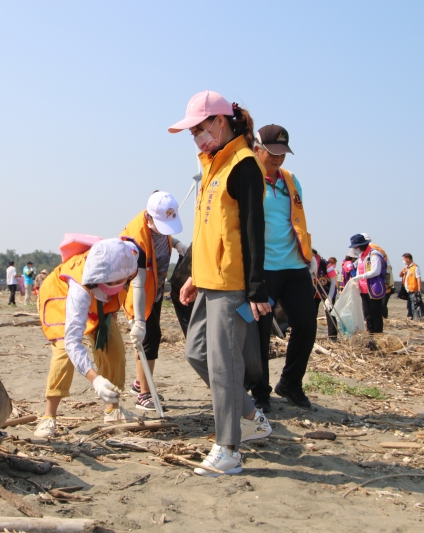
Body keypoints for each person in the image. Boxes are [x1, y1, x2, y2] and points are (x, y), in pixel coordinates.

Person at [170, 91, 272, 476]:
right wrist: (195, 275)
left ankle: (228, 449)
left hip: (232, 284)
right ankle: (251, 416)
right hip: (209, 280)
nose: (197, 138)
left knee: (225, 366)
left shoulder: (243, 164)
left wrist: (256, 287)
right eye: (192, 133)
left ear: (220, 122)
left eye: (200, 129)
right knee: (197, 353)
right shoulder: (214, 165)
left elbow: (252, 231)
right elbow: (209, 229)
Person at [34, 239, 139, 438]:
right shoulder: (79, 290)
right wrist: (95, 379)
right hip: (61, 295)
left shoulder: (127, 257)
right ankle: (49, 416)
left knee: (114, 348)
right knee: (63, 352)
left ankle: (112, 409)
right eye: (112, 282)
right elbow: (72, 342)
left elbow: (138, 284)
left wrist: (137, 321)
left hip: (100, 304)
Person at [247, 124, 317, 412]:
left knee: (307, 324)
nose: (278, 158)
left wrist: (310, 258)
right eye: (272, 152)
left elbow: (296, 220)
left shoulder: (291, 180)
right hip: (263, 269)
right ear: (257, 149)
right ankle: (260, 391)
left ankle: (290, 382)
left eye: (282, 153)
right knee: (259, 332)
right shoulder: (249, 179)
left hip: (294, 265)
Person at [120, 191, 187, 410]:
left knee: (147, 339)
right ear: (149, 218)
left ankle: (140, 383)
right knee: (149, 338)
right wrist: (139, 321)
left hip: (154, 289)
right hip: (138, 293)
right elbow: (138, 284)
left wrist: (177, 244)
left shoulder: (157, 224)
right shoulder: (136, 241)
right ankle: (144, 395)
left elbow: (164, 235)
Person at [347, 233, 387, 333]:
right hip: (363, 289)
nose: (355, 249)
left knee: (375, 313)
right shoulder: (361, 256)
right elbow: (359, 270)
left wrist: (361, 277)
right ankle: (370, 333)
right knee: (367, 313)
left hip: (373, 288)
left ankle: (377, 334)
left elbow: (376, 271)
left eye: (356, 247)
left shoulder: (374, 254)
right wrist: (357, 279)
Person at [361, 234, 393, 318]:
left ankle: (381, 318)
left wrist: (361, 276)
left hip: (375, 280)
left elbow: (375, 270)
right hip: (384, 276)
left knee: (375, 306)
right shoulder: (378, 248)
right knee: (380, 303)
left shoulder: (372, 250)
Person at [311, 251, 339, 341]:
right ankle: (311, 336)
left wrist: (329, 297)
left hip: (327, 290)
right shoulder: (307, 263)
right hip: (314, 292)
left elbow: (333, 282)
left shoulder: (326, 265)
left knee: (330, 312)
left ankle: (332, 336)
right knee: (311, 314)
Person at [399, 253, 424, 320]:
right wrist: (402, 271)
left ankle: (415, 318)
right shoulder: (407, 268)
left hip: (413, 290)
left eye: (404, 259)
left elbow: (418, 278)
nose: (403, 261)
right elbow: (400, 275)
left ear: (408, 259)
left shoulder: (415, 267)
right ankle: (410, 317)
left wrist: (419, 289)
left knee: (414, 306)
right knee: (409, 306)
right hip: (408, 290)